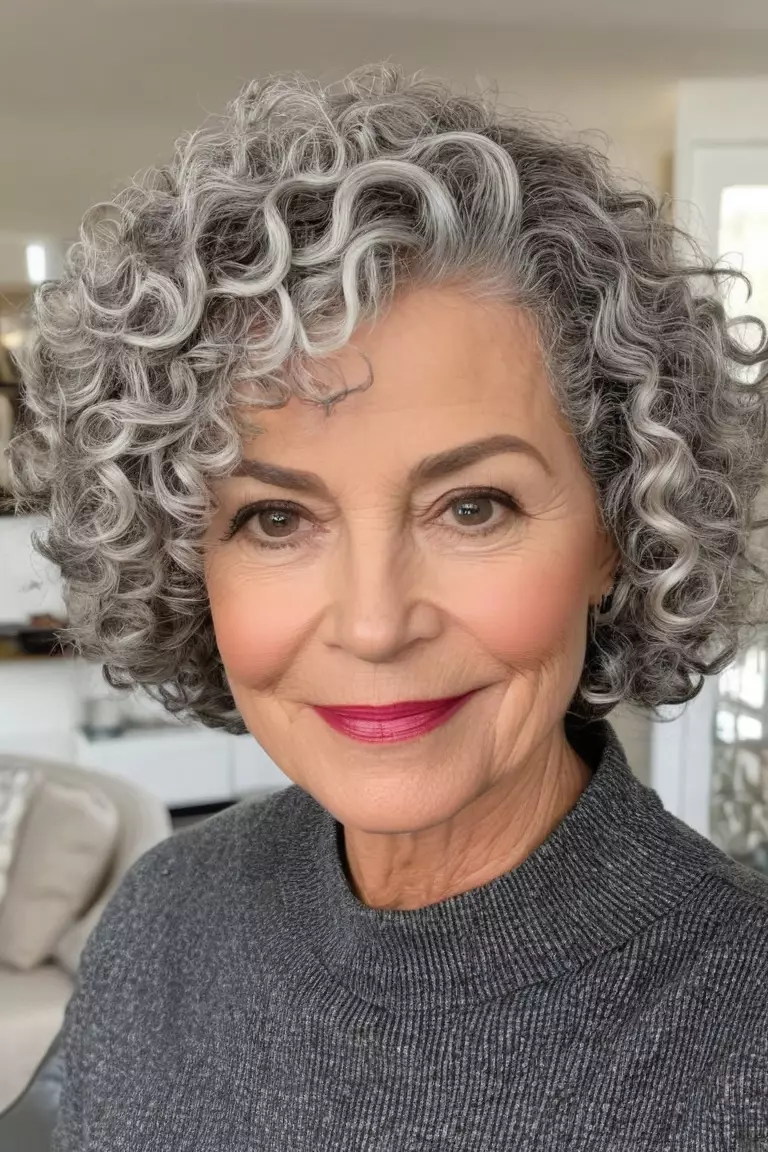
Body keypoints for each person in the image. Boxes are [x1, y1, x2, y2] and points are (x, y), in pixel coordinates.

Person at [9, 63, 768, 1151]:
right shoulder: (159, 924)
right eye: (274, 520)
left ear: (618, 531)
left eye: (472, 506)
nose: (373, 623)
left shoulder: (741, 1045)